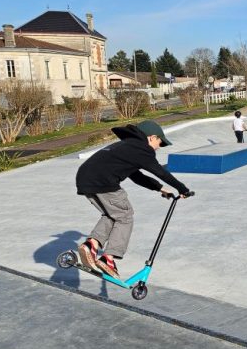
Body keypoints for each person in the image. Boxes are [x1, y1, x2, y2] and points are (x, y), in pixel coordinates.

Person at [75, 120, 191, 279]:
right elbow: (161, 172)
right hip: (103, 182)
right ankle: (108, 258)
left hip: (85, 180)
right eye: (160, 142)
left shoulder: (128, 146)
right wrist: (182, 188)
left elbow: (136, 176)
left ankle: (91, 245)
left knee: (113, 214)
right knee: (125, 216)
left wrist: (159, 188)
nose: (159, 147)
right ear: (151, 137)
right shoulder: (142, 149)